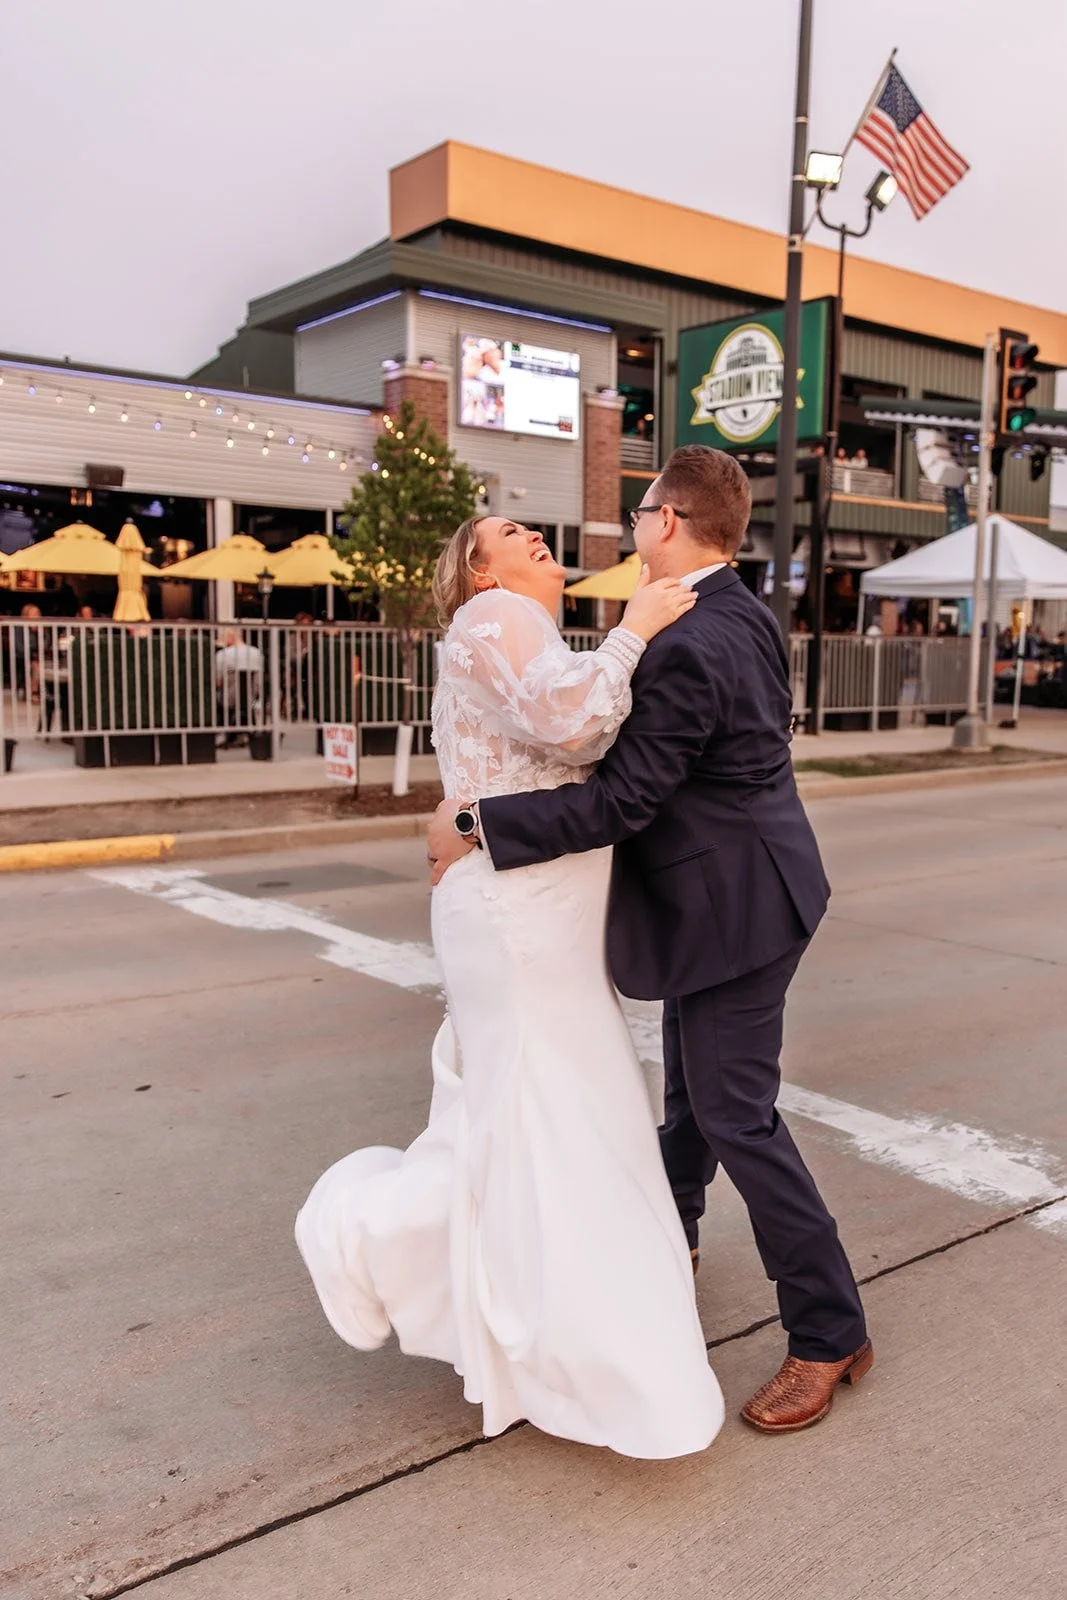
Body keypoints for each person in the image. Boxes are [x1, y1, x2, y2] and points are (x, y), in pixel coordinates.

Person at [428, 445, 871, 1434]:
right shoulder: (735, 609)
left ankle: (827, 1328)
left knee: (730, 1114)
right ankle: (667, 1240)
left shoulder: (683, 638)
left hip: (732, 908)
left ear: (667, 522)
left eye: (637, 514)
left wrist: (474, 825)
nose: (630, 530)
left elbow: (624, 798)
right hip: (738, 889)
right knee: (693, 1102)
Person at [296, 518, 725, 1459]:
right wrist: (635, 628)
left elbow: (566, 745)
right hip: (518, 914)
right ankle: (557, 1331)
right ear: (476, 571)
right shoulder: (494, 614)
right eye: (506, 533)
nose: (529, 534)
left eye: (530, 527)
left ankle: (504, 1301)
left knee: (538, 1110)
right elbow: (572, 724)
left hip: (541, 908)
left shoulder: (526, 633)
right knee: (557, 1109)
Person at [214, 627, 263, 747]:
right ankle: (243, 732)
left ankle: (222, 732)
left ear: (230, 637)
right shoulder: (256, 652)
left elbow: (218, 681)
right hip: (251, 697)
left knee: (215, 697)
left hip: (229, 698)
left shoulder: (222, 654)